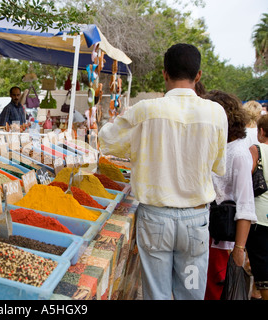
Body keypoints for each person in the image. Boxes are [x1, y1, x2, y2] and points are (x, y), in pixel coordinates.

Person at [98, 43, 229, 300]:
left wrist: (139, 145)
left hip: (156, 221)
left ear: (164, 73)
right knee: (191, 292)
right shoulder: (216, 113)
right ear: (198, 75)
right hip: (195, 223)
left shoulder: (146, 110)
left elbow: (107, 141)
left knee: (156, 295)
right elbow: (218, 166)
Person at [202, 90, 257, 300]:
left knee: (214, 292)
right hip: (209, 236)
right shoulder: (222, 147)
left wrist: (239, 250)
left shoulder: (238, 154)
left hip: (222, 243)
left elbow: (245, 206)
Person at [247, 114, 268, 300]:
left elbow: (246, 179)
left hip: (259, 216)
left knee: (260, 262)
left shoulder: (256, 149)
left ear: (261, 131)